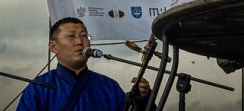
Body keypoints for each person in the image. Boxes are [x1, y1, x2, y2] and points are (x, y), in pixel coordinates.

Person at [17, 18, 152, 111]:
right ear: (53, 47)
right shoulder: (38, 88)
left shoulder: (109, 87)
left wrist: (142, 99)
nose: (79, 42)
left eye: (84, 36)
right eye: (71, 36)